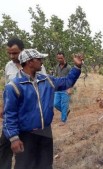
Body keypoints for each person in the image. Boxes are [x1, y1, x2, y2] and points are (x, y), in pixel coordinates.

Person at [2, 49, 83, 169]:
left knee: (45, 165)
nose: (42, 61)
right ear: (30, 62)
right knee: (25, 165)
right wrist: (14, 138)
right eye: (39, 59)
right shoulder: (14, 86)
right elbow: (9, 115)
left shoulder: (47, 80)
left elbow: (67, 82)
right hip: (26, 134)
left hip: (45, 132)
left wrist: (77, 67)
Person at [0, 38, 47, 169]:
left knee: (25, 152)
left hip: (28, 117)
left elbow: (43, 89)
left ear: (22, 51)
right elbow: (6, 88)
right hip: (12, 114)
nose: (11, 56)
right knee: (4, 146)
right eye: (9, 53)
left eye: (14, 53)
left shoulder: (37, 66)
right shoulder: (8, 66)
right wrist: (3, 105)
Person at [53, 52, 72, 125]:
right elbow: (56, 77)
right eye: (58, 58)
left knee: (64, 105)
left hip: (66, 89)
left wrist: (70, 88)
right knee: (56, 104)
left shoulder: (69, 67)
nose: (60, 59)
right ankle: (66, 112)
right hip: (58, 89)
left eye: (61, 58)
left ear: (64, 58)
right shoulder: (57, 67)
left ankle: (63, 120)